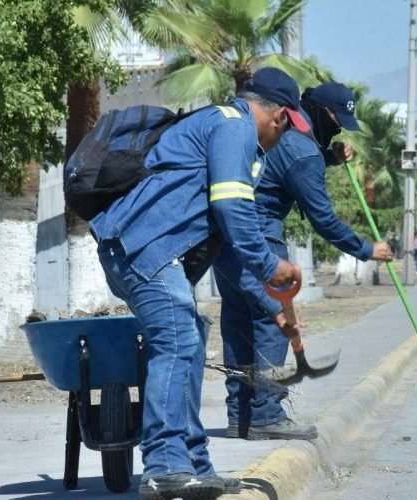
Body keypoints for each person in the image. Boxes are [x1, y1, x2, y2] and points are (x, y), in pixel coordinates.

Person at [88, 67, 308, 500]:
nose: (282, 137)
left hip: (145, 250)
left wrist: (274, 308)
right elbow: (232, 210)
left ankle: (194, 467)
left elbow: (229, 253)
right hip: (145, 248)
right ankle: (165, 466)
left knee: (188, 341)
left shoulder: (222, 129)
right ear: (280, 116)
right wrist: (271, 264)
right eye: (287, 128)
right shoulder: (233, 127)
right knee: (176, 341)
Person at [213, 82, 393, 441]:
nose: (339, 130)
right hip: (261, 242)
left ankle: (240, 415)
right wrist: (367, 249)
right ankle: (265, 415)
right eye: (338, 122)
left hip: (225, 243)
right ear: (324, 114)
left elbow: (280, 165)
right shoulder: (303, 152)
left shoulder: (279, 133)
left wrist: (328, 157)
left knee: (237, 322)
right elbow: (323, 219)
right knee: (270, 323)